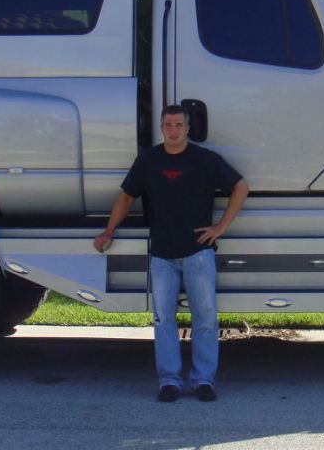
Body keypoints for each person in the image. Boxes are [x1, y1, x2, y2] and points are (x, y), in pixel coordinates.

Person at [94, 105, 249, 403]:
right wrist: (108, 230)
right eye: (168, 125)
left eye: (179, 125)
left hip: (198, 253)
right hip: (162, 255)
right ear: (161, 128)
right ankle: (170, 382)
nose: (174, 130)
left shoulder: (204, 160)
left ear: (188, 129)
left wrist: (221, 227)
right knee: (164, 320)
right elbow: (127, 196)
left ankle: (204, 381)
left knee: (205, 318)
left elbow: (240, 186)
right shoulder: (148, 161)